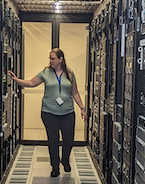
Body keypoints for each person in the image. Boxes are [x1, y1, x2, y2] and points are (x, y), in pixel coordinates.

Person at [8, 48, 87, 177]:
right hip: (49, 112)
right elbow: (31, 83)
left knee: (68, 140)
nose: (50, 61)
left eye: (53, 58)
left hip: (67, 112)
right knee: (53, 140)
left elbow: (75, 92)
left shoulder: (70, 73)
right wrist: (17, 80)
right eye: (49, 58)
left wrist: (82, 108)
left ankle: (65, 160)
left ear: (60, 59)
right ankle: (55, 166)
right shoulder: (45, 72)